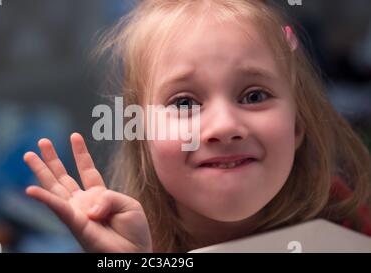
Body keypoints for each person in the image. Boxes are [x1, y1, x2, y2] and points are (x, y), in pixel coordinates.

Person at [23, 0, 371, 252]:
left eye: (253, 96)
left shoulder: (347, 220)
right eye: (185, 103)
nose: (223, 126)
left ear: (298, 125)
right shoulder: (127, 244)